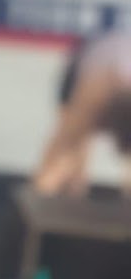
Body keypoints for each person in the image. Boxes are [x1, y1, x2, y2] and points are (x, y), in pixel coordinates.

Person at [34, 30, 131, 196]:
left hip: (113, 67)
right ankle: (70, 195)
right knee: (71, 149)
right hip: (89, 65)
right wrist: (40, 192)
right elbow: (60, 149)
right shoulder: (95, 92)